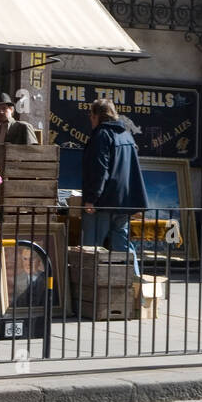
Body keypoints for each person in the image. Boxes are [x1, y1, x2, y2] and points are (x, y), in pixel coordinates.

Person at [81, 98, 148, 273]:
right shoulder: (126, 135)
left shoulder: (102, 135)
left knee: (92, 247)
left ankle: (89, 290)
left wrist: (91, 199)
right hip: (123, 202)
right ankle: (136, 288)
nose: (90, 118)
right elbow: (133, 171)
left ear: (97, 116)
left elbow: (99, 169)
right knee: (123, 246)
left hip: (103, 202)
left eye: (91, 114)